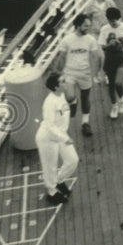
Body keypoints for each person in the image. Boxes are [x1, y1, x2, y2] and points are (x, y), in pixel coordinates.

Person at [51, 13, 102, 137]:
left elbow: (96, 56)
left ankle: (85, 123)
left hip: (85, 73)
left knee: (85, 98)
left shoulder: (90, 39)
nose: (88, 28)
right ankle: (73, 102)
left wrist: (98, 72)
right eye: (85, 26)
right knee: (69, 96)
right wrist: (55, 70)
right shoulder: (67, 40)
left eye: (89, 26)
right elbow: (61, 57)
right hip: (70, 73)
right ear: (78, 25)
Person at [35, 72, 79, 205]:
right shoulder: (49, 103)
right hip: (47, 138)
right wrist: (64, 138)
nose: (65, 83)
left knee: (73, 160)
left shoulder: (62, 96)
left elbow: (70, 114)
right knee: (50, 166)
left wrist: (74, 102)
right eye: (62, 81)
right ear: (55, 87)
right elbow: (49, 125)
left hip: (61, 135)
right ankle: (52, 192)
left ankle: (59, 180)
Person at [98, 7, 123, 120]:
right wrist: (110, 44)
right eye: (111, 21)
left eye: (115, 20)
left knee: (118, 83)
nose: (113, 23)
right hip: (110, 58)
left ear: (120, 18)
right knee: (111, 85)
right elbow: (102, 46)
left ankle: (121, 100)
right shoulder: (105, 29)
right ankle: (114, 106)